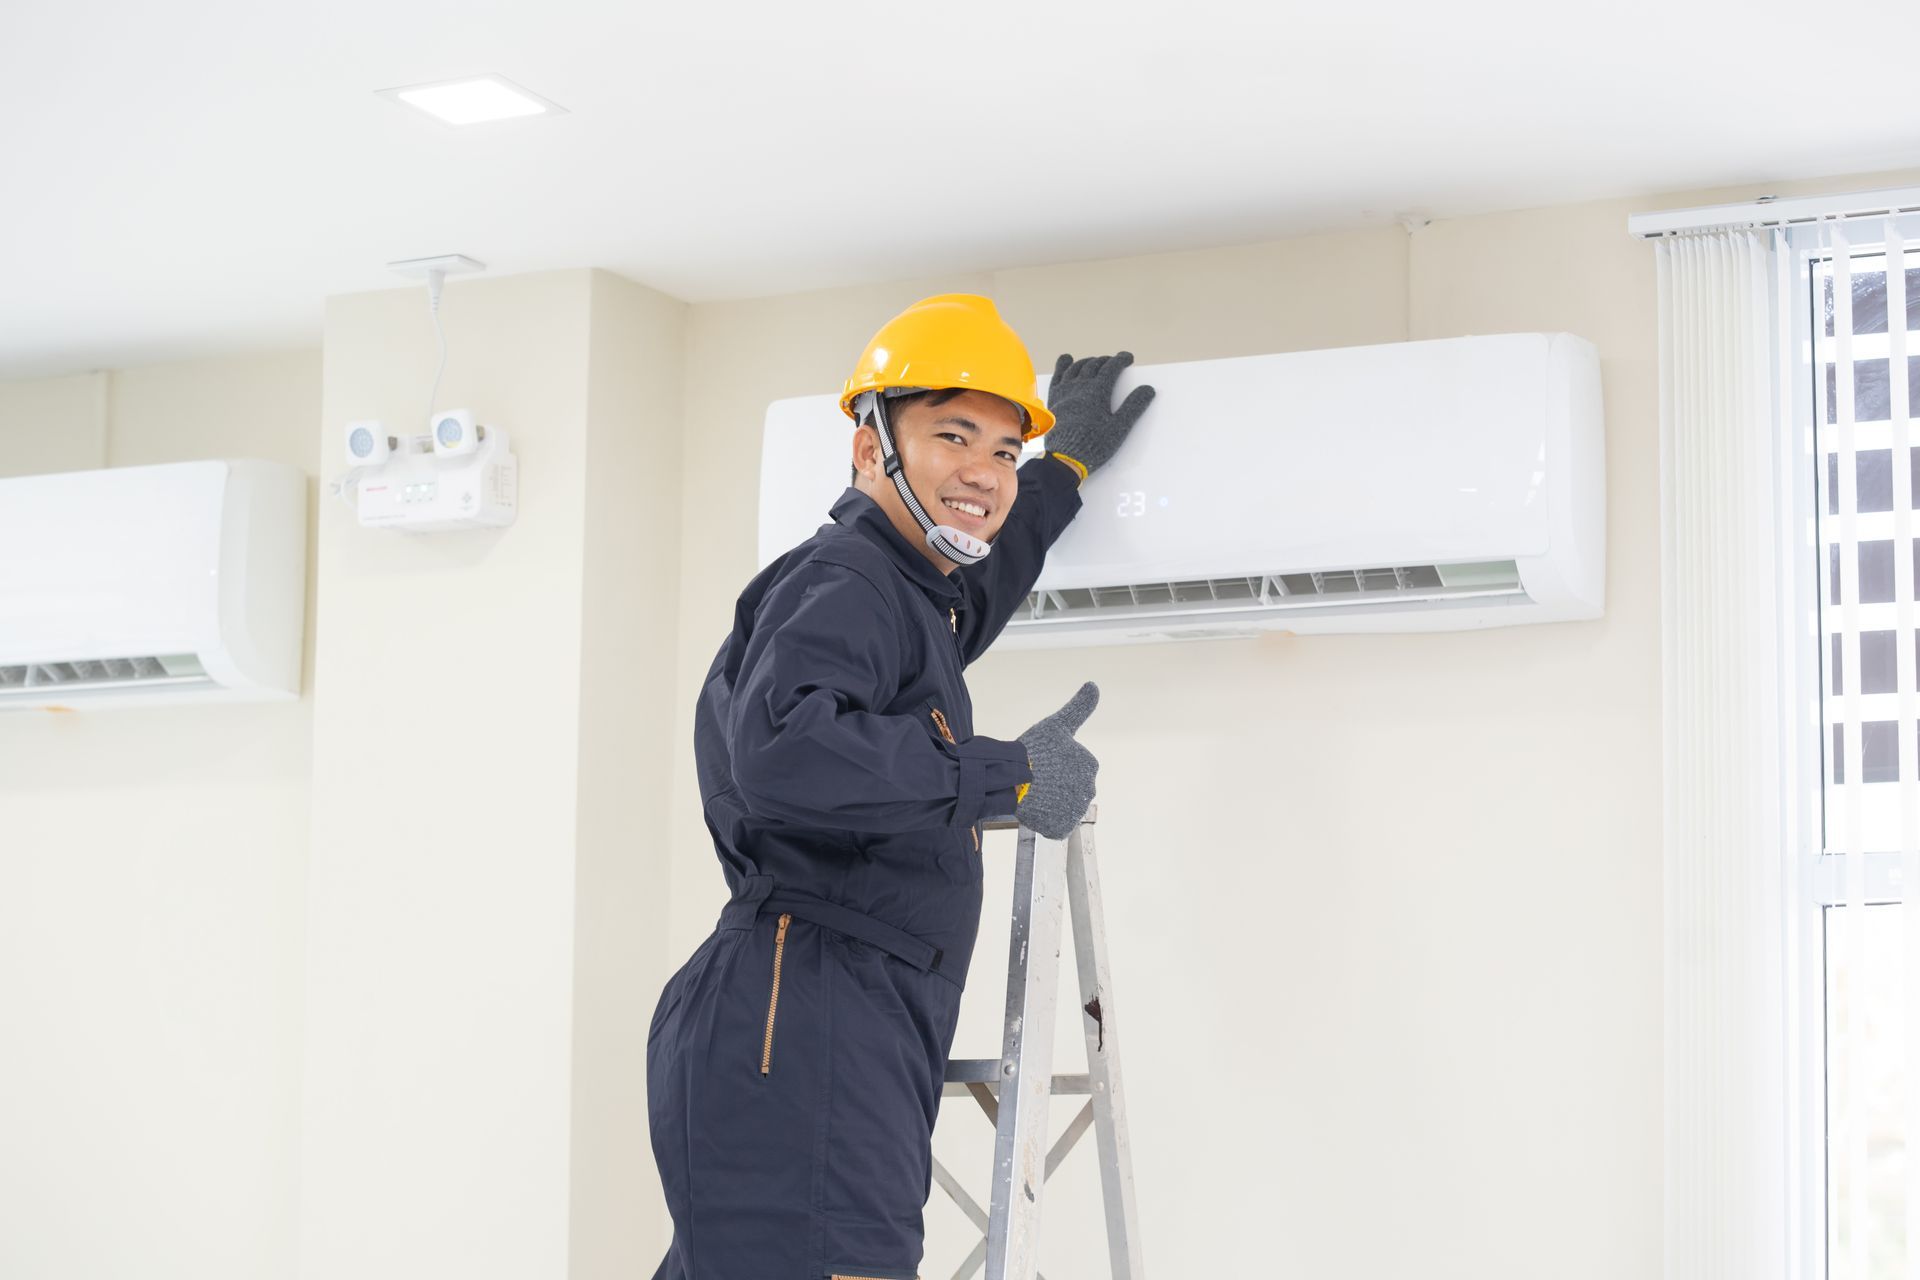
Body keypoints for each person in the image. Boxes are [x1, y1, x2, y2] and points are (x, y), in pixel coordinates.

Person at [647, 294, 1155, 1280]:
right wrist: (1006, 768)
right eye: (954, 434)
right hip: (805, 1010)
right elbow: (785, 750)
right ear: (873, 449)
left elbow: (979, 584)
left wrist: (1063, 471)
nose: (985, 470)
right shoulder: (848, 581)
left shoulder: (904, 594)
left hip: (832, 1003)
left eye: (1005, 450)